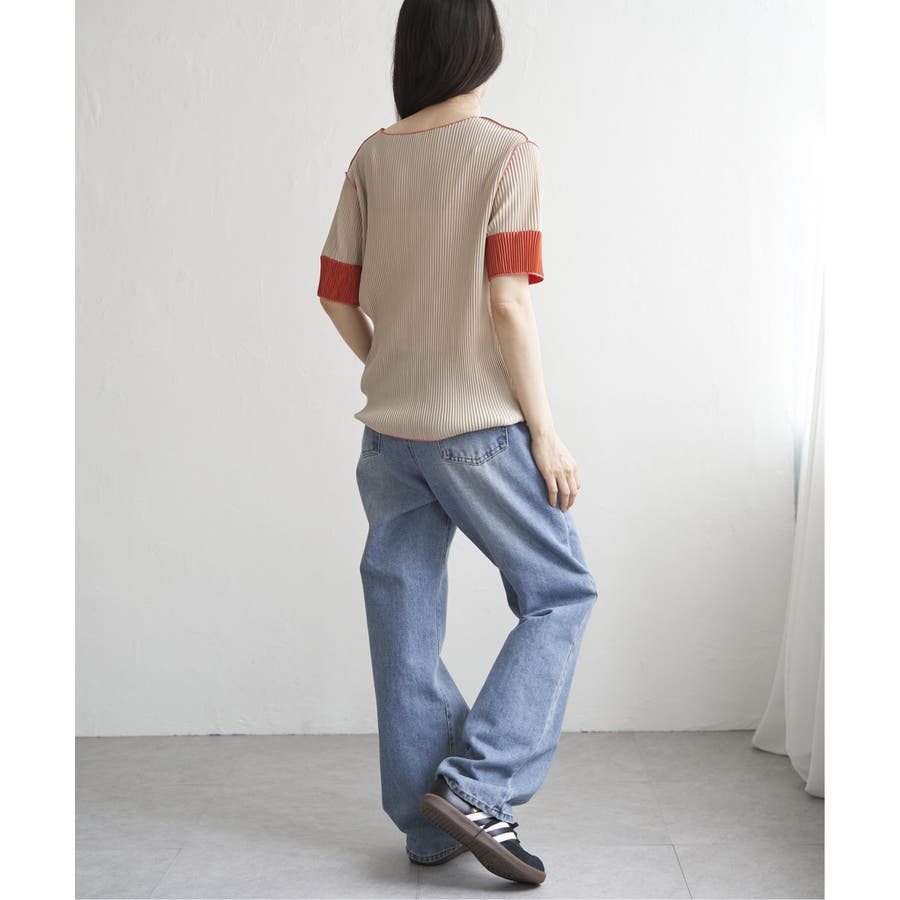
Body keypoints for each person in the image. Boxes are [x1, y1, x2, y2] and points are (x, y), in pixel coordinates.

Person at [315, 0, 598, 886]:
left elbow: (334, 294)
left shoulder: (373, 155)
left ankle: (428, 826)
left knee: (403, 621)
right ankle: (477, 789)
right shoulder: (508, 154)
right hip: (478, 429)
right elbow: (508, 303)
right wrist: (546, 434)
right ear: (485, 44)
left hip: (388, 436)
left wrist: (389, 364)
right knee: (560, 591)